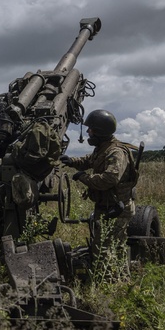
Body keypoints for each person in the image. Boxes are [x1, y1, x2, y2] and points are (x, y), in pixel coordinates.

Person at [59, 109, 138, 280]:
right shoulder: (103, 148)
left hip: (117, 209)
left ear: (100, 132)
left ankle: (110, 282)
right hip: (107, 207)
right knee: (110, 246)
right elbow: (89, 160)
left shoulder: (116, 152)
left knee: (105, 248)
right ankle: (118, 279)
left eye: (91, 129)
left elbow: (109, 179)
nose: (88, 132)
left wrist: (84, 177)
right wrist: (72, 161)